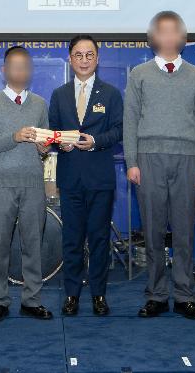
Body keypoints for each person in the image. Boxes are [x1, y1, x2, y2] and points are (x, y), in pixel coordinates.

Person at [124, 11, 195, 320]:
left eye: (175, 31)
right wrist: (132, 161)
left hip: (187, 160)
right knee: (153, 232)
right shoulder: (140, 74)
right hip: (148, 160)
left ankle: (185, 295)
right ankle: (157, 295)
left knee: (185, 233)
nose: (169, 36)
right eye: (163, 31)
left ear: (182, 37)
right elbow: (130, 120)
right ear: (154, 38)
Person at [0, 46, 52, 322]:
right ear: (4, 70)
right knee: (0, 245)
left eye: (25, 66)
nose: (20, 71)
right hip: (3, 185)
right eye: (15, 66)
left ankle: (32, 300)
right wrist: (14, 136)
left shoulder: (40, 104)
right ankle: (0, 300)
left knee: (33, 244)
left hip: (33, 184)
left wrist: (44, 148)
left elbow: (46, 146)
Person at [49, 35, 123, 317]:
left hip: (100, 179)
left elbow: (119, 131)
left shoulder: (112, 94)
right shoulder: (59, 94)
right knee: (72, 240)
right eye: (78, 55)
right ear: (70, 59)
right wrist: (59, 142)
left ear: (97, 58)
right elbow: (53, 131)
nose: (83, 60)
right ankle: (71, 295)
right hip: (70, 179)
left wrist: (96, 141)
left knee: (100, 239)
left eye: (89, 55)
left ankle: (99, 295)